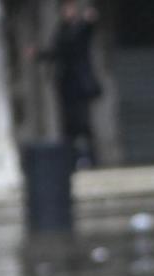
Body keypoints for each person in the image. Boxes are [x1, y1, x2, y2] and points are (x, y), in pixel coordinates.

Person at [41, 3, 102, 168]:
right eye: (66, 10)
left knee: (83, 124)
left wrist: (90, 20)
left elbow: (88, 29)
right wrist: (38, 54)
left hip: (80, 86)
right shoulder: (61, 31)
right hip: (66, 85)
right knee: (68, 126)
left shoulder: (80, 29)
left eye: (71, 10)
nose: (69, 13)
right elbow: (55, 52)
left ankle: (90, 158)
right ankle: (72, 159)